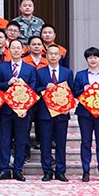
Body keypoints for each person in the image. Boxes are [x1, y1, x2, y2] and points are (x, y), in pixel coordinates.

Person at [0, 39, 37, 181]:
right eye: (13, 48)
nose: (16, 50)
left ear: (23, 50)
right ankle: (4, 169)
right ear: (9, 50)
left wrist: (25, 106)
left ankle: (18, 169)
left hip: (23, 111)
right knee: (4, 141)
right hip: (6, 110)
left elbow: (33, 89)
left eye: (19, 48)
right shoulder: (2, 67)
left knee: (20, 140)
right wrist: (7, 83)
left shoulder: (30, 69)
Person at [72, 47, 99, 182]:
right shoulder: (80, 75)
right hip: (85, 113)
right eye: (90, 57)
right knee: (86, 142)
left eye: (95, 57)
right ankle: (86, 171)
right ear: (86, 59)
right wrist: (82, 90)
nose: (93, 60)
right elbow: (74, 93)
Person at [35, 45, 73, 182]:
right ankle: (47, 171)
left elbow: (72, 91)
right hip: (45, 113)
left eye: (56, 54)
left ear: (60, 56)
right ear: (46, 56)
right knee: (45, 143)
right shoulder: (40, 72)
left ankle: (60, 171)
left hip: (62, 113)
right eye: (50, 53)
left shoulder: (67, 72)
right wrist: (44, 87)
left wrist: (68, 105)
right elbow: (34, 89)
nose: (53, 56)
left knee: (61, 144)